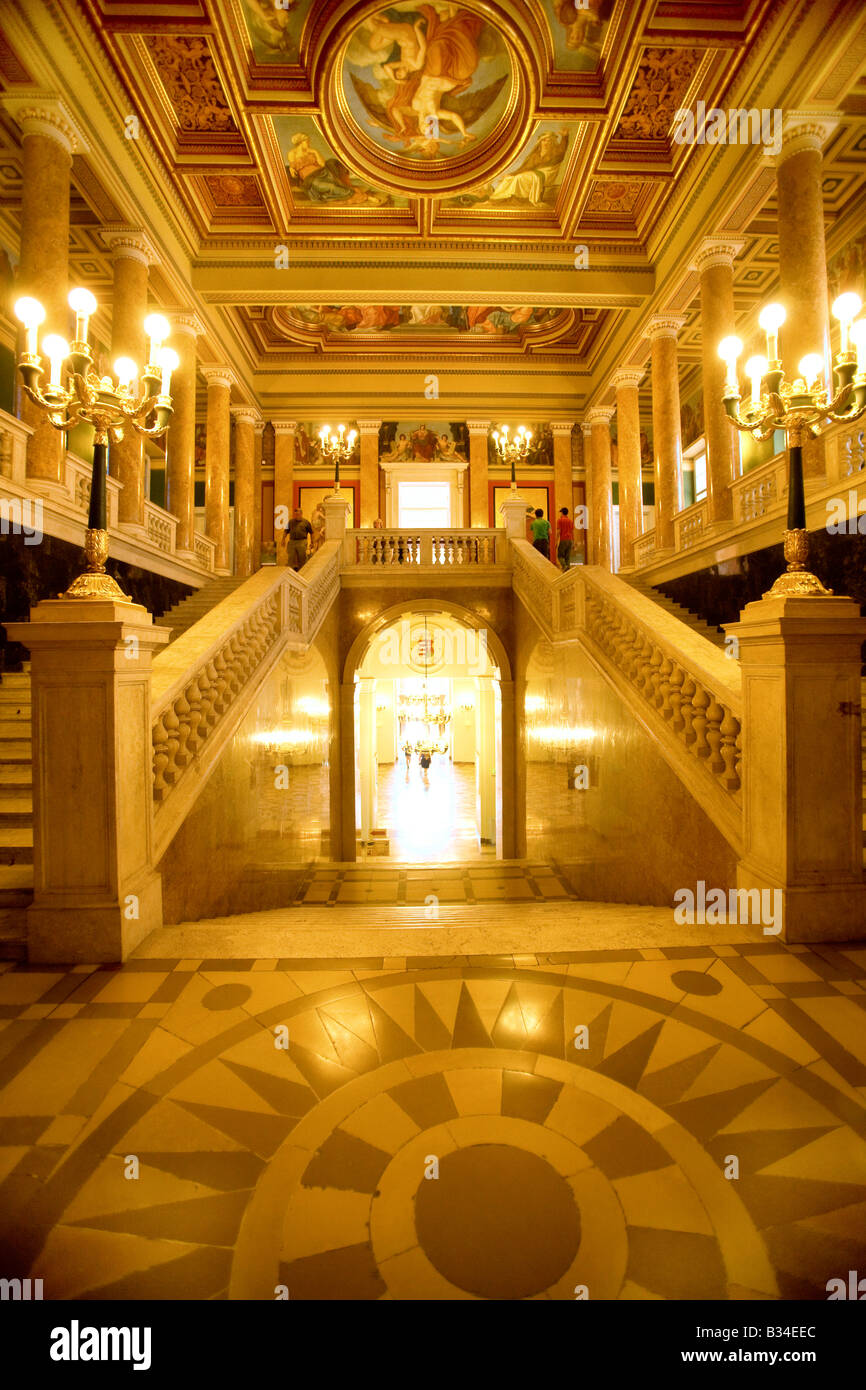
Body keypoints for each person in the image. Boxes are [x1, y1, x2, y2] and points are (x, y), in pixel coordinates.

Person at [556, 506, 574, 571]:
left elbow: (558, 531)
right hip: (570, 540)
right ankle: (568, 569)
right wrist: (573, 541)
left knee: (560, 556)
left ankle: (564, 566)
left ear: (562, 513)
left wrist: (556, 541)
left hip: (563, 539)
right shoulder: (570, 521)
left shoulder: (560, 520)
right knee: (567, 557)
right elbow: (572, 532)